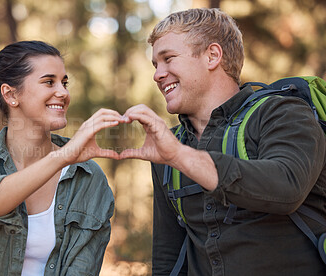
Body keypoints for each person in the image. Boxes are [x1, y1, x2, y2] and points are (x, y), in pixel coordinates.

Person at [120, 8, 326, 275]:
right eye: (155, 65)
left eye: (168, 59)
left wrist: (180, 156)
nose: (158, 74)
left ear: (212, 56)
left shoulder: (284, 112)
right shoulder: (169, 145)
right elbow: (168, 255)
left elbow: (287, 187)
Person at [0, 40, 125, 275]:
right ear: (10, 95)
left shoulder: (89, 178)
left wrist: (64, 158)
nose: (63, 92)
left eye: (65, 82)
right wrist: (62, 157)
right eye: (49, 82)